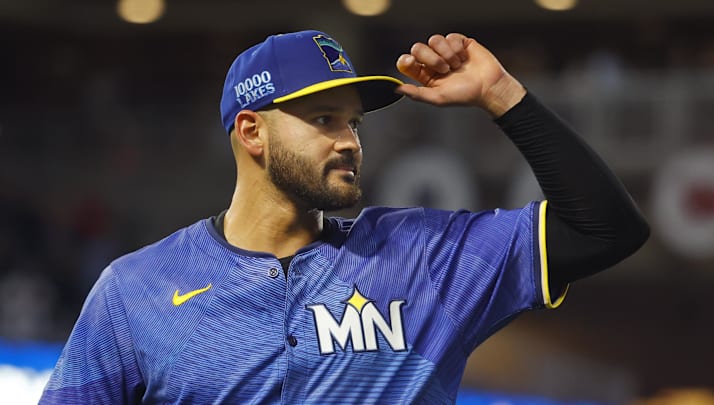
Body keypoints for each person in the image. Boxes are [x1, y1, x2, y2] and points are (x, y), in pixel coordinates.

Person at [40, 29, 649, 404]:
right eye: (324, 119)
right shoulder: (136, 289)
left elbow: (604, 229)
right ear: (251, 131)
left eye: (354, 121)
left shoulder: (423, 259)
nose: (351, 140)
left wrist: (501, 95)